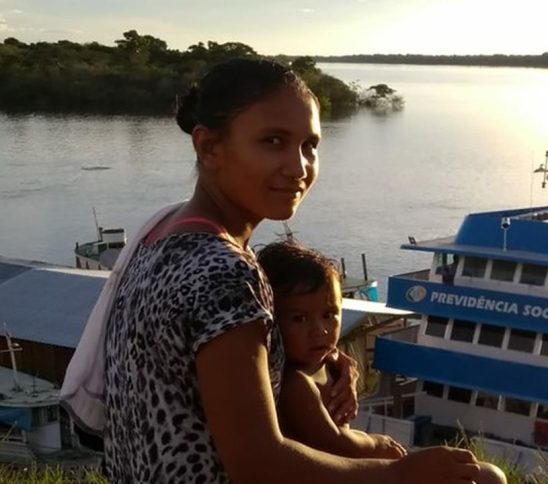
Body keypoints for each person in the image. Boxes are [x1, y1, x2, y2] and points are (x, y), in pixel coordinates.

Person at [95, 58, 484, 483]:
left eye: (309, 145)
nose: (299, 167)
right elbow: (259, 463)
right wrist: (399, 473)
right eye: (273, 141)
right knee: (486, 480)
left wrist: (331, 360)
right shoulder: (224, 270)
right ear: (209, 148)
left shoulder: (159, 234)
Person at [258, 241, 507, 483]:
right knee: (486, 477)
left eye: (329, 314)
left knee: (490, 475)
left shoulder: (324, 363)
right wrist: (378, 444)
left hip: (355, 466)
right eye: (299, 319)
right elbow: (334, 441)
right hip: (340, 472)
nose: (320, 331)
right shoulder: (297, 384)